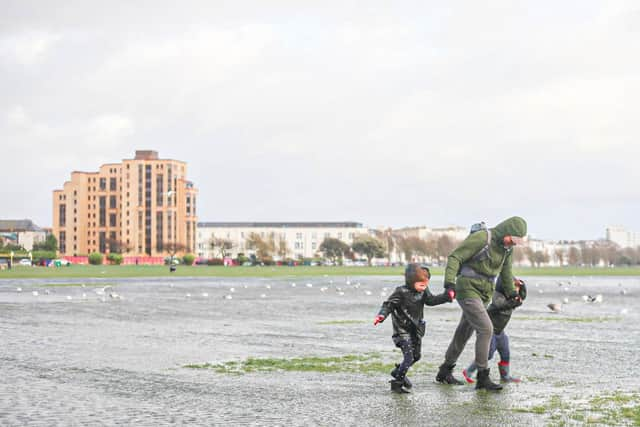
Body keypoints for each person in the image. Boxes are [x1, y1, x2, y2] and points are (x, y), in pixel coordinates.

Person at [435, 216, 527, 391]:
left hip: (485, 293)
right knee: (486, 329)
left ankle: (445, 370)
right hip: (467, 288)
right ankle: (483, 377)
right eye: (512, 239)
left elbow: (506, 274)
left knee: (464, 332)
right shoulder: (483, 238)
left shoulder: (507, 249)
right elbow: (455, 257)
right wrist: (449, 284)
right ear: (507, 232)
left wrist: (513, 295)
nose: (513, 244)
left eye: (516, 242)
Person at [374, 263, 455, 393]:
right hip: (402, 331)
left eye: (426, 284)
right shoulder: (401, 292)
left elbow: (431, 300)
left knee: (416, 356)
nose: (424, 287)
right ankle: (397, 384)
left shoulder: (423, 292)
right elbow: (388, 305)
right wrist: (381, 316)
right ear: (412, 282)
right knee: (409, 357)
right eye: (421, 285)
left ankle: (397, 371)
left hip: (416, 330)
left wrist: (446, 297)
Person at [462, 276, 527, 384]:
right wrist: (514, 303)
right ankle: (468, 371)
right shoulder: (498, 295)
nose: (516, 290)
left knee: (505, 353)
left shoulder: (513, 297)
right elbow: (500, 305)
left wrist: (522, 285)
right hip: (489, 331)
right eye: (514, 287)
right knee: (488, 354)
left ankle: (505, 376)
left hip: (500, 332)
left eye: (517, 288)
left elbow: (523, 296)